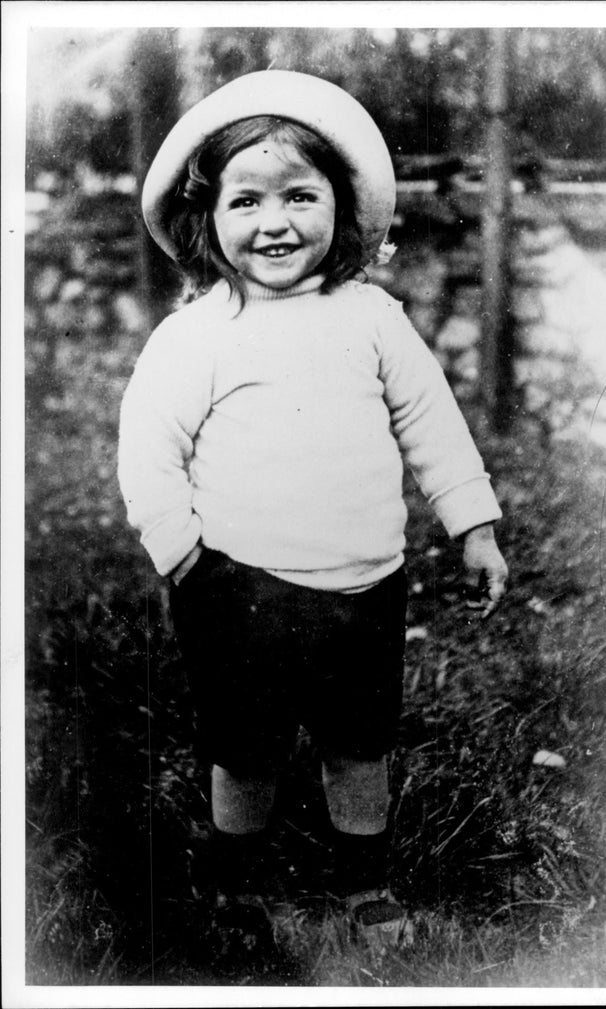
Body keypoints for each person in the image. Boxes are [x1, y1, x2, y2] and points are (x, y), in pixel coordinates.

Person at [118, 70, 508, 957]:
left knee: (357, 740)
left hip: (366, 583)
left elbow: (429, 420)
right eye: (246, 200)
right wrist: (185, 556)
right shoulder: (198, 334)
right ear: (207, 217)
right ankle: (234, 872)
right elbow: (148, 450)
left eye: (300, 195)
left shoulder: (371, 317)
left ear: (342, 206)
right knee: (245, 747)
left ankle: (363, 876)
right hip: (237, 584)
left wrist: (472, 524)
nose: (276, 222)